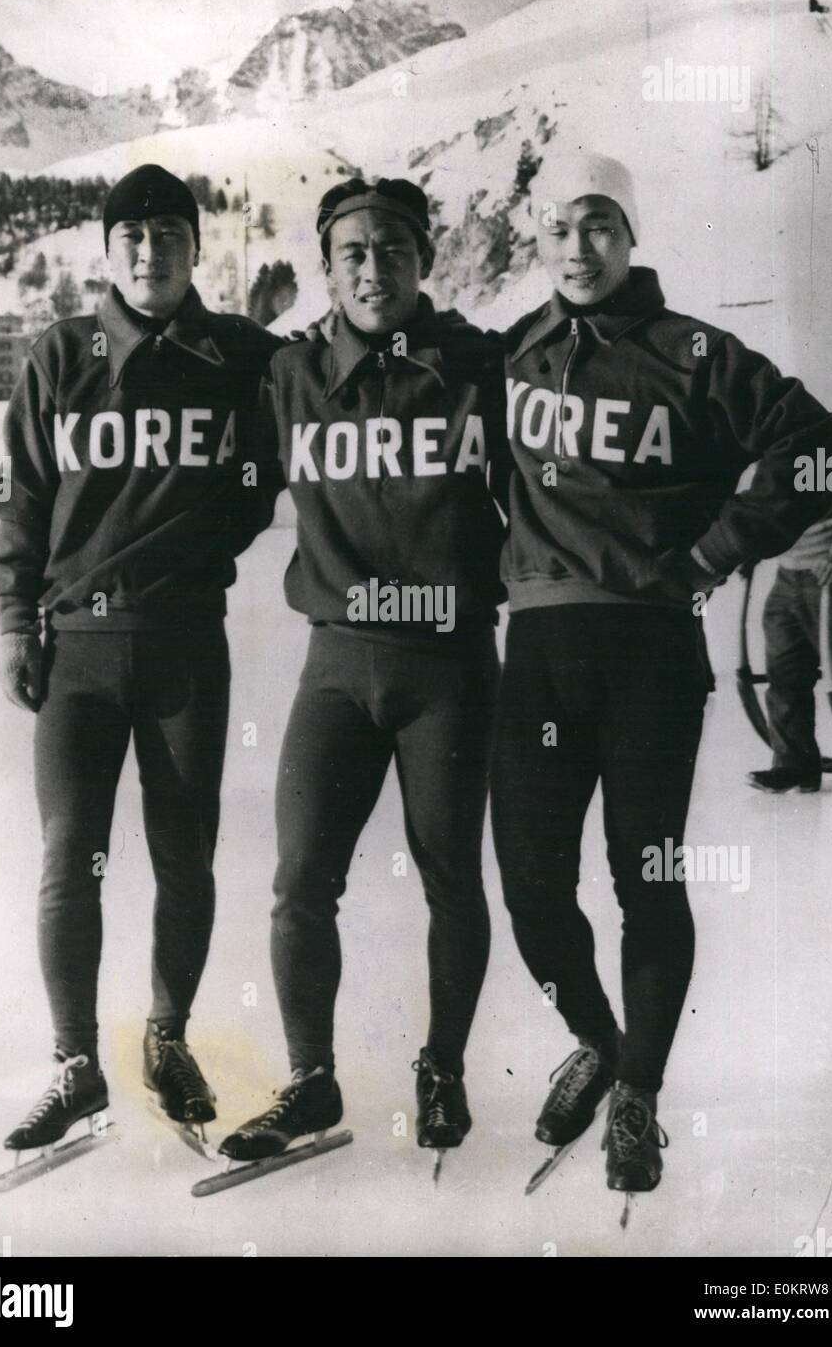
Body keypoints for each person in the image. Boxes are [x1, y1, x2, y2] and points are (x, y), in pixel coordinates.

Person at [490, 151, 832, 1193]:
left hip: (649, 653)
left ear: (631, 233)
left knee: (646, 878)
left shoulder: (692, 352)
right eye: (558, 227)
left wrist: (707, 554)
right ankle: (599, 1041)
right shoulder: (512, 354)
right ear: (538, 240)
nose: (577, 247)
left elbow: (815, 444)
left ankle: (638, 1095)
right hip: (543, 654)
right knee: (530, 886)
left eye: (598, 223)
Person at [0, 164, 282, 1160]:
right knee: (70, 857)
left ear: (196, 248)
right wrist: (11, 619)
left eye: (167, 234)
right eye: (130, 237)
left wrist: (217, 542)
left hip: (186, 645)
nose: (149, 252)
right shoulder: (62, 353)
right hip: (78, 647)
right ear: (105, 253)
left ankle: (167, 1035)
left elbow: (302, 439)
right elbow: (23, 499)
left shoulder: (240, 355)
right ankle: (75, 1061)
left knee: (183, 855)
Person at [218, 177, 509, 1168]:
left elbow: (560, 484)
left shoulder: (480, 366)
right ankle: (310, 1077)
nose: (372, 269)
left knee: (451, 876)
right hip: (338, 663)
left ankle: (444, 1065)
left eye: (392, 250)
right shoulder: (290, 376)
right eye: (351, 253)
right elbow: (213, 485)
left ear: (423, 259)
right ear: (327, 267)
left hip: (448, 666)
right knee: (301, 878)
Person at [748, 490, 832, 791]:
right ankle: (794, 767)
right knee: (784, 675)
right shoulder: (777, 459)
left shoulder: (829, 453)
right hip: (787, 577)